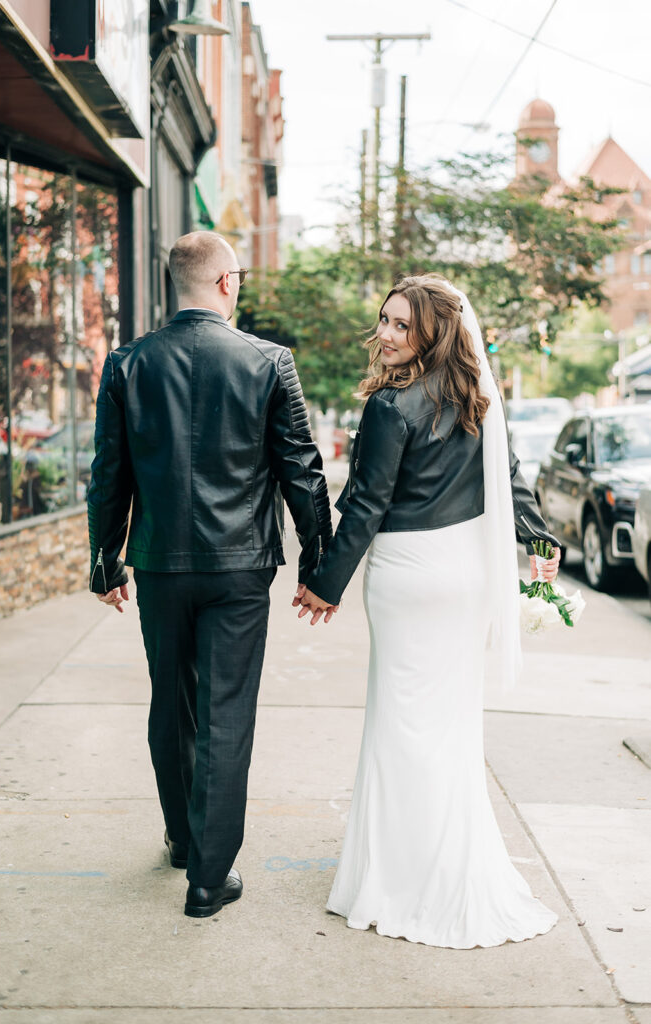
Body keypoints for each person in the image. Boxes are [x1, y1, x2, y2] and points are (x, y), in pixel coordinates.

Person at [295, 274, 561, 948]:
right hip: (466, 575)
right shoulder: (478, 397)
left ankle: (401, 881)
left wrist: (326, 582)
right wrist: (538, 540)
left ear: (432, 332)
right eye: (383, 320)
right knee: (446, 729)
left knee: (400, 727)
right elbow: (513, 480)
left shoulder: (392, 405)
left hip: (411, 579)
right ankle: (448, 870)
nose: (385, 335)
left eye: (400, 325)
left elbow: (365, 504)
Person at [87, 231, 332, 919]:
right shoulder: (268, 361)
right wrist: (320, 562)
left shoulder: (127, 364)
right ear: (226, 282)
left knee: (173, 703)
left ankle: (183, 843)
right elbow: (302, 472)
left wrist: (105, 558)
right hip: (240, 568)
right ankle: (208, 879)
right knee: (226, 715)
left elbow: (109, 474)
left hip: (160, 562)